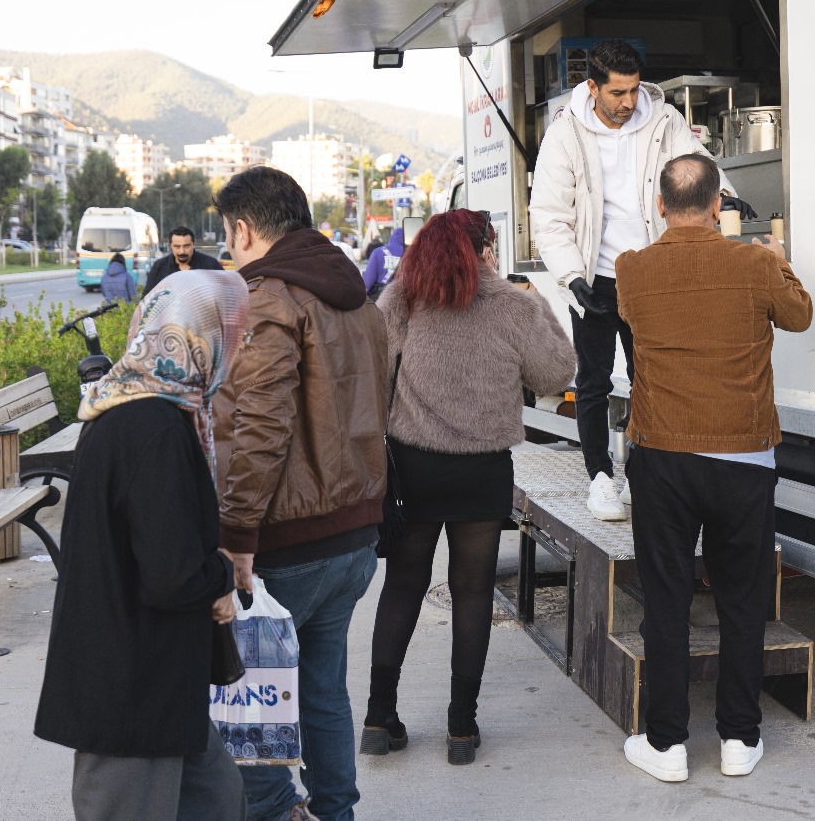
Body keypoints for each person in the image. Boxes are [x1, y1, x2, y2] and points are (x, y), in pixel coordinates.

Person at [614, 153, 811, 783]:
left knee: (667, 600)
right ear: (720, 203)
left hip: (662, 457)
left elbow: (630, 317)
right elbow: (801, 315)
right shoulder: (755, 265)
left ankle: (667, 744)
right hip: (742, 458)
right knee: (742, 599)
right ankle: (738, 739)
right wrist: (776, 252)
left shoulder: (633, 270)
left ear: (660, 207)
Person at [361, 210, 575, 765]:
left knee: (403, 586)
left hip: (413, 466)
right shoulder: (514, 305)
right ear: (483, 249)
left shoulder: (405, 297)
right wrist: (538, 302)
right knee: (474, 591)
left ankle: (378, 718)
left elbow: (375, 369)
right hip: (482, 468)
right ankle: (461, 727)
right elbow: (556, 376)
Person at [35, 270, 250, 821]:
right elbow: (172, 574)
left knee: (218, 800)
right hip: (130, 684)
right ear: (198, 338)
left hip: (152, 671)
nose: (241, 343)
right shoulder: (150, 425)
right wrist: (220, 576)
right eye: (236, 329)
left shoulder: (147, 406)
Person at [211, 166, 388, 821]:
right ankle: (335, 810)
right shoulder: (358, 298)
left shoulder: (266, 299)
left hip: (285, 539)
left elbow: (260, 423)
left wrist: (237, 535)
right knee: (322, 687)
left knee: (251, 692)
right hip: (353, 534)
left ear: (244, 228)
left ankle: (277, 811)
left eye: (228, 236)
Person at [529, 38, 747, 522]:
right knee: (593, 382)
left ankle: (641, 474)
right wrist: (571, 275)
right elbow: (548, 214)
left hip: (651, 275)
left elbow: (698, 166)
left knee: (654, 380)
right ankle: (600, 479)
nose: (628, 103)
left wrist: (726, 197)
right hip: (595, 276)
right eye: (617, 94)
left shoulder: (661, 119)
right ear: (593, 87)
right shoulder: (566, 132)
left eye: (632, 91)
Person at [145, 224, 224, 297]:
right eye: (177, 247)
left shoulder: (211, 265)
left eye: (186, 246)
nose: (182, 251)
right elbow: (147, 299)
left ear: (193, 244)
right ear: (170, 246)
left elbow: (225, 294)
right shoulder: (159, 267)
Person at [361, 225, 405, 300]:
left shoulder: (378, 252)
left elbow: (369, 279)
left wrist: (363, 295)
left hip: (381, 298)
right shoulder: (409, 253)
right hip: (402, 298)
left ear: (392, 237)